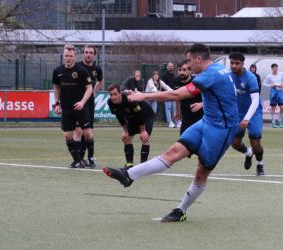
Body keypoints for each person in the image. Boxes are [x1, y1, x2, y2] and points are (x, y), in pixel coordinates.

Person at [102, 43, 239, 222]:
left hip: (221, 130)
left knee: (201, 173)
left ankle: (181, 210)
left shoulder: (210, 75)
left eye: (189, 61)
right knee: (173, 152)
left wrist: (144, 95)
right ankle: (129, 176)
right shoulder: (220, 69)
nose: (188, 65)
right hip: (206, 122)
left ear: (199, 59)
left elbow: (175, 95)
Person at [52, 44, 94, 169]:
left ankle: (90, 157)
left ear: (75, 56)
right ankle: (77, 161)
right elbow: (56, 87)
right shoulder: (57, 71)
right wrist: (57, 103)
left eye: (71, 56)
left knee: (87, 133)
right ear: (63, 56)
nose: (68, 58)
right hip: (66, 108)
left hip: (81, 107)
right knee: (67, 135)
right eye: (66, 56)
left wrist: (82, 102)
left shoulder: (81, 71)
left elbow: (89, 88)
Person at [229, 53, 265, 176]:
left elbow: (255, 101)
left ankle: (260, 164)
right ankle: (248, 153)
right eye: (232, 63)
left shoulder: (250, 78)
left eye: (237, 63)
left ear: (243, 64)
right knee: (235, 143)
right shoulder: (228, 76)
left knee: (255, 143)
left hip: (253, 112)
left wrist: (246, 119)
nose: (234, 66)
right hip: (237, 112)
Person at [107, 84, 155, 168]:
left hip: (146, 114)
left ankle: (143, 165)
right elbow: (119, 116)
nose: (113, 97)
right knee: (126, 139)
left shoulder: (129, 100)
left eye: (115, 94)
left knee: (144, 138)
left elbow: (140, 115)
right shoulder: (110, 102)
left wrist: (143, 131)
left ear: (120, 93)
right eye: (111, 95)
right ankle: (129, 165)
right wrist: (125, 131)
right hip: (132, 117)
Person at [75, 44, 103, 168]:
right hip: (78, 102)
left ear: (94, 55)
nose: (88, 54)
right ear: (83, 53)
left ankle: (88, 157)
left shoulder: (97, 69)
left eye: (91, 52)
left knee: (88, 131)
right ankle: (79, 158)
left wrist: (94, 91)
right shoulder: (77, 67)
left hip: (89, 103)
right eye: (86, 52)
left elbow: (101, 80)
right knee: (78, 130)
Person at [173, 60, 203, 135]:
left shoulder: (196, 82)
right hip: (185, 118)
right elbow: (177, 96)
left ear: (189, 70)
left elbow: (209, 96)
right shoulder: (176, 81)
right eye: (179, 70)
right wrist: (177, 110)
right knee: (183, 142)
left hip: (199, 118)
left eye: (184, 70)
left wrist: (202, 104)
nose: (181, 72)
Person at [263, 63, 283, 128]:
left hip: (280, 91)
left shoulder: (281, 74)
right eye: (275, 68)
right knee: (273, 108)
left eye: (277, 68)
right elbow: (264, 83)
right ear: (272, 68)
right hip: (273, 92)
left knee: (282, 108)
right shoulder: (269, 76)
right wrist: (271, 85)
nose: (276, 69)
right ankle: (273, 122)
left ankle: (280, 122)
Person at [161, 62, 179, 128]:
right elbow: (163, 86)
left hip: (174, 94)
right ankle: (169, 122)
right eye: (169, 66)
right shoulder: (164, 75)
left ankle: (175, 122)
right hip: (167, 95)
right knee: (168, 108)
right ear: (167, 67)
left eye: (172, 66)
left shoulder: (174, 75)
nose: (171, 67)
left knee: (174, 109)